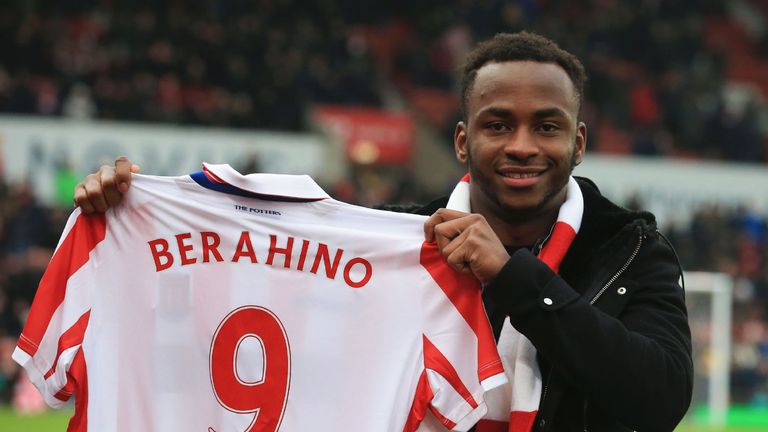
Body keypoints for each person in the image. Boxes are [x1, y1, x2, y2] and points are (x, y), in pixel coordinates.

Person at [73, 32, 692, 431]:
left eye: (548, 127)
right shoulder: (398, 240)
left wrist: (512, 276)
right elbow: (244, 327)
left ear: (578, 143)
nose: (523, 146)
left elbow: (658, 399)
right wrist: (129, 225)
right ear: (462, 140)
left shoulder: (631, 249)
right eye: (498, 124)